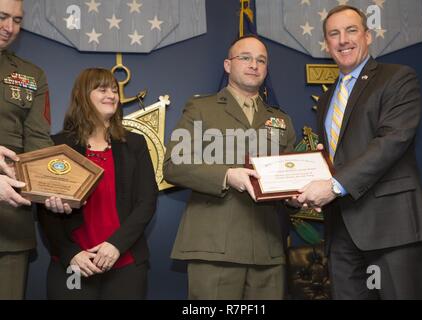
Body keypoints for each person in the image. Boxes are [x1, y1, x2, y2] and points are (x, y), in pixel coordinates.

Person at [290, 5, 422, 299]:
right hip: (341, 228)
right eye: (334, 33)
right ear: (326, 43)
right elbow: (339, 155)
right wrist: (311, 180)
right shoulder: (327, 98)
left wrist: (332, 185)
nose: (343, 39)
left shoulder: (397, 77)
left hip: (392, 226)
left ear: (368, 36)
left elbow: (392, 140)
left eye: (351, 30)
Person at [163, 35, 297, 299]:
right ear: (227, 65)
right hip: (213, 245)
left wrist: (295, 196)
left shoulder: (280, 120)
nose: (254, 65)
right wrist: (227, 175)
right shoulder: (201, 108)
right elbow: (174, 164)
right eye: (245, 58)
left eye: (261, 60)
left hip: (267, 247)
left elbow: (288, 175)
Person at [37, 68, 158, 299]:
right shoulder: (58, 145)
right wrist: (71, 254)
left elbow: (147, 202)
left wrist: (115, 246)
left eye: (114, 90)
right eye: (102, 89)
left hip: (125, 262)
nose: (111, 95)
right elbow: (45, 210)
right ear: (83, 95)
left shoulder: (135, 143)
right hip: (72, 264)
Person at [0, 0, 53, 299]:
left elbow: (38, 142)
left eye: (17, 20)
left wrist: (53, 187)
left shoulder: (31, 76)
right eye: (2, 17)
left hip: (9, 222)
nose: (10, 28)